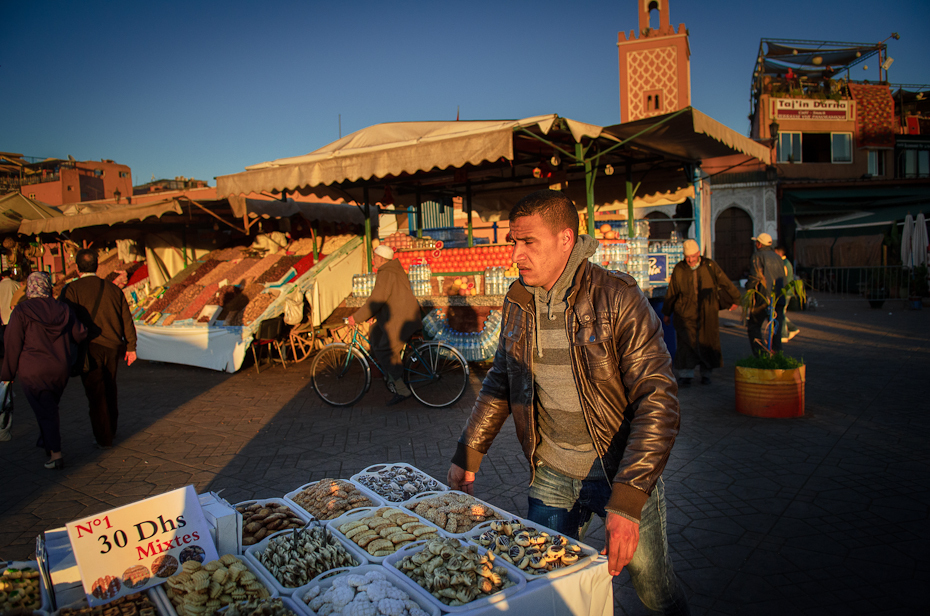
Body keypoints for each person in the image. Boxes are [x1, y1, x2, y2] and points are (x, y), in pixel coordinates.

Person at [447, 190, 690, 615]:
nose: (516, 254)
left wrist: (629, 498)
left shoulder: (617, 298)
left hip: (620, 471)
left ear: (565, 239)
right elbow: (502, 380)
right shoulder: (518, 301)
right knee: (548, 586)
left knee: (653, 591)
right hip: (552, 471)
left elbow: (658, 399)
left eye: (528, 243)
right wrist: (469, 452)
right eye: (513, 242)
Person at [1, 272, 86, 469]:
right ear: (47, 286)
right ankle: (47, 442)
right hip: (59, 368)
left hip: (33, 369)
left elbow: (12, 343)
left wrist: (7, 374)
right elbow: (80, 333)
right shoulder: (63, 308)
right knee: (48, 406)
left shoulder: (22, 310)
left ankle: (55, 454)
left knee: (46, 410)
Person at [60, 249, 138, 449]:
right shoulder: (113, 289)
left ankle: (104, 436)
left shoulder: (71, 290)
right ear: (98, 266)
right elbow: (126, 319)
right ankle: (111, 428)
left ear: (77, 268)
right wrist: (131, 346)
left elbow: (62, 320)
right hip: (113, 347)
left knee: (95, 392)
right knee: (110, 386)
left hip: (89, 348)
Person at [346, 244, 422, 405]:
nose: (373, 260)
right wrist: (374, 316)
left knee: (383, 349)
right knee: (375, 333)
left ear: (381, 259)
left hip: (401, 319)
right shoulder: (392, 270)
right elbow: (387, 297)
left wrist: (356, 317)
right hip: (401, 316)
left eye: (374, 257)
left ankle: (401, 389)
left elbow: (376, 299)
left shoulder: (386, 272)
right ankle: (391, 376)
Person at [662, 239, 740, 386]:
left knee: (707, 341)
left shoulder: (710, 265)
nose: (690, 260)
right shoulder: (679, 268)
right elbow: (672, 291)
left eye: (693, 256)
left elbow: (725, 282)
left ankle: (706, 374)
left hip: (707, 310)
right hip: (685, 312)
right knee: (685, 342)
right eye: (687, 257)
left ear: (699, 253)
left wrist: (736, 298)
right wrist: (667, 312)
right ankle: (686, 375)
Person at [746, 233, 786, 355]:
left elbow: (755, 277)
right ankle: (777, 354)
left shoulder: (757, 256)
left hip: (763, 298)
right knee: (776, 329)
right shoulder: (777, 257)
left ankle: (761, 355)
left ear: (759, 244)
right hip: (778, 297)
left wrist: (748, 289)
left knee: (754, 326)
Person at [774, 246, 800, 342]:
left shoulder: (783, 264)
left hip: (785, 291)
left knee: (781, 313)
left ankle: (784, 334)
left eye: (775, 252)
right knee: (782, 313)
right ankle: (793, 328)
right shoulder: (786, 263)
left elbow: (782, 278)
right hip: (787, 291)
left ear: (780, 253)